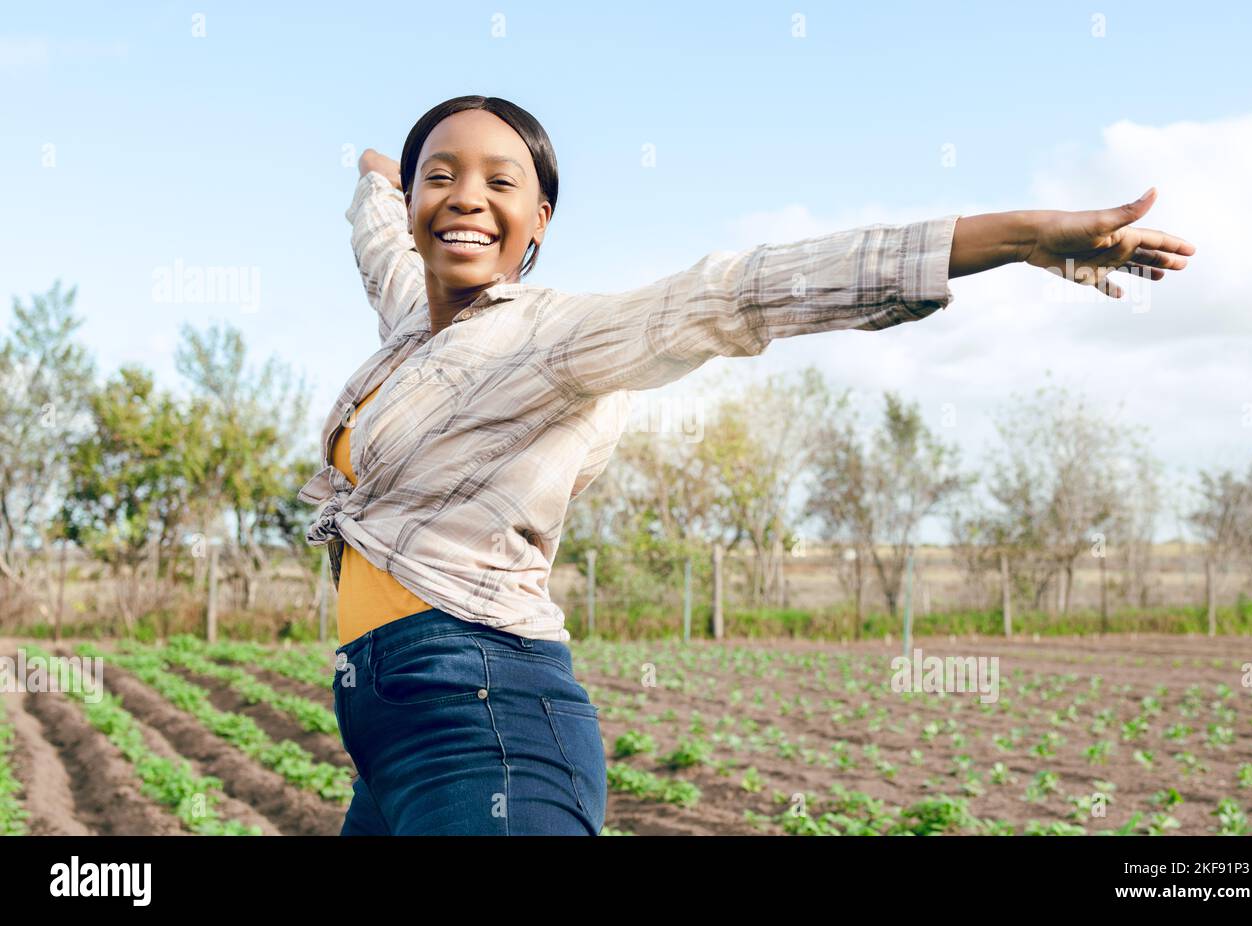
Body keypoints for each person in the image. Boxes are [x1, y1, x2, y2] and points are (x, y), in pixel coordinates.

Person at [302, 95, 1195, 836]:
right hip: (382, 727)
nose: (465, 197)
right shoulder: (412, 325)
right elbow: (379, 230)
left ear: (539, 220)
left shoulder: (558, 337)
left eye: (501, 182)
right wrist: (382, 171)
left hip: (483, 715)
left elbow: (738, 292)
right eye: (442, 176)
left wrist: (1017, 236)